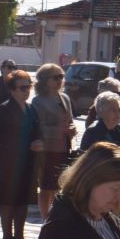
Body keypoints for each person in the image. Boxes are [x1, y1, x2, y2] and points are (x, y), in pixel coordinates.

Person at [0, 70, 43, 239]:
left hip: (28, 161)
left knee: (23, 200)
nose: (26, 91)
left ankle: (19, 236)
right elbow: (0, 135)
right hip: (10, 162)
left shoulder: (30, 109)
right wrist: (29, 143)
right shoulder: (4, 108)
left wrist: (38, 141)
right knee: (8, 200)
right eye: (22, 87)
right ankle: (7, 238)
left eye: (29, 86)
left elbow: (37, 130)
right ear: (12, 90)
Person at [31, 63, 77, 221]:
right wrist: (60, 131)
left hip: (64, 147)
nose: (60, 80)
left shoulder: (64, 97)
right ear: (45, 80)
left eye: (62, 76)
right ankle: (45, 218)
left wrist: (71, 129)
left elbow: (69, 119)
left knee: (60, 186)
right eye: (56, 77)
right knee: (46, 187)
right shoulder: (38, 101)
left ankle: (55, 216)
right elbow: (38, 127)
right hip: (48, 150)